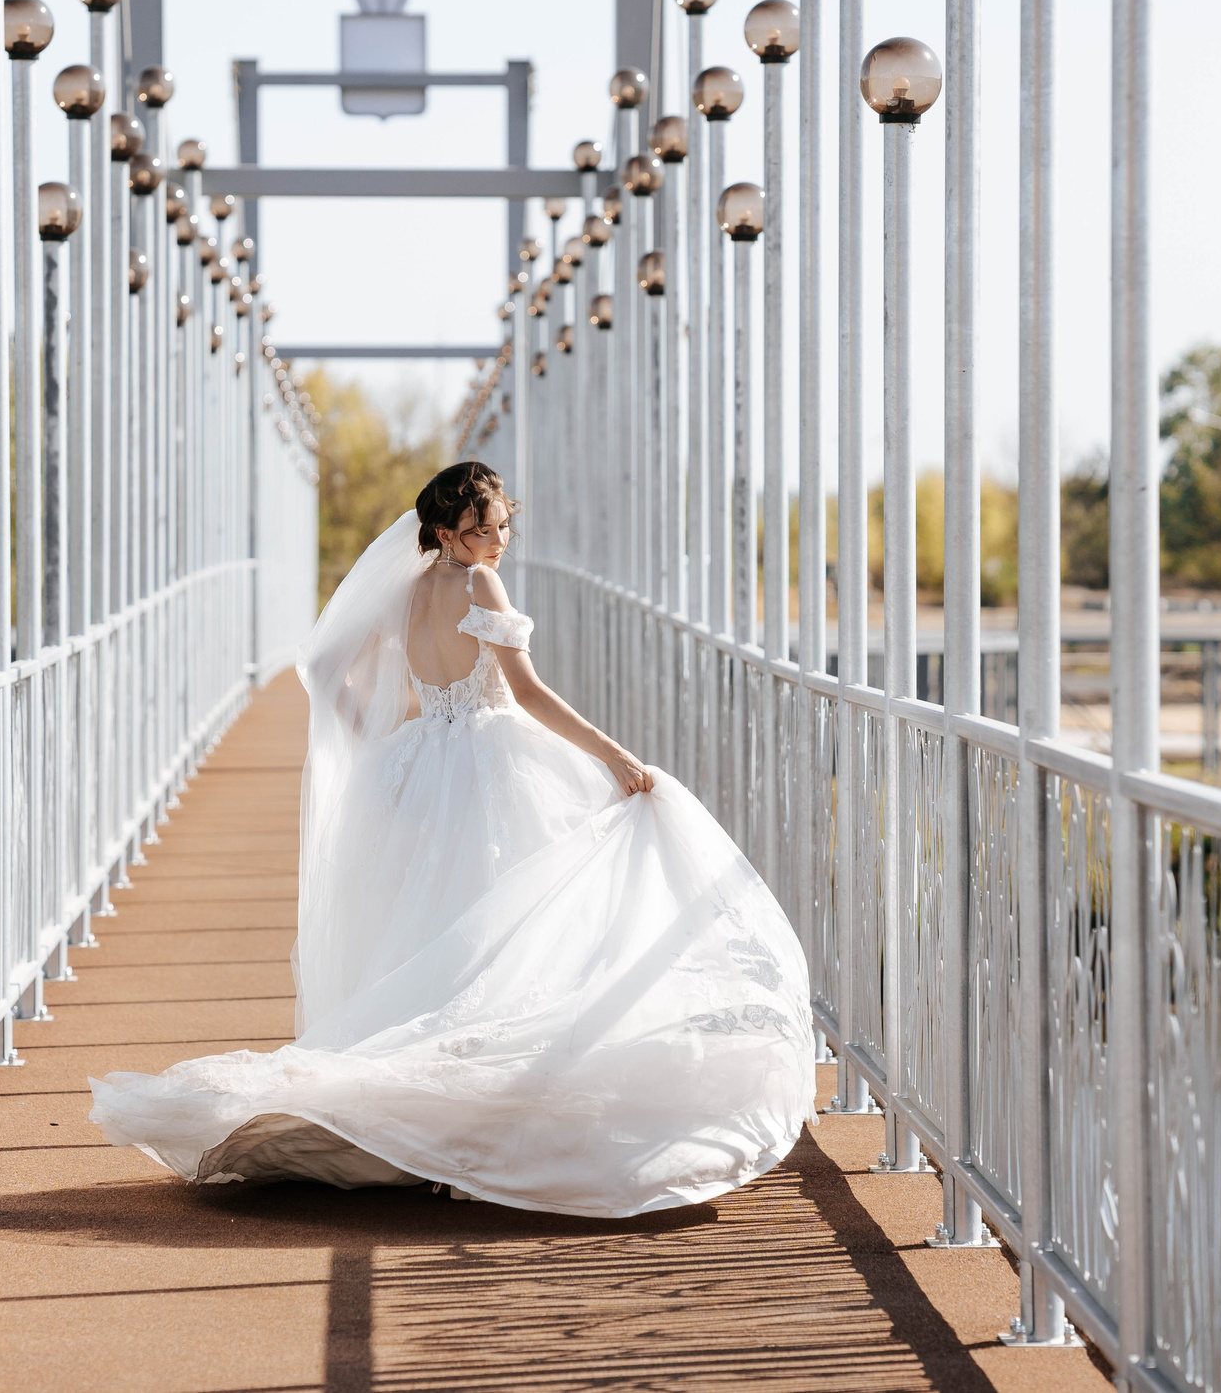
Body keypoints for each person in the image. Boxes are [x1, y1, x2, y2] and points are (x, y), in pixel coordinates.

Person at [88, 461, 814, 1217]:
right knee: (514, 932)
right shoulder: (479, 586)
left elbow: (326, 665)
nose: (497, 541)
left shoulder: (405, 591)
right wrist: (616, 755)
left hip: (419, 765)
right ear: (445, 533)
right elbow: (526, 693)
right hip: (494, 766)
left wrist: (378, 736)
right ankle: (481, 1122)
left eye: (502, 524)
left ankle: (436, 1119)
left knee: (438, 931)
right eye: (480, 528)